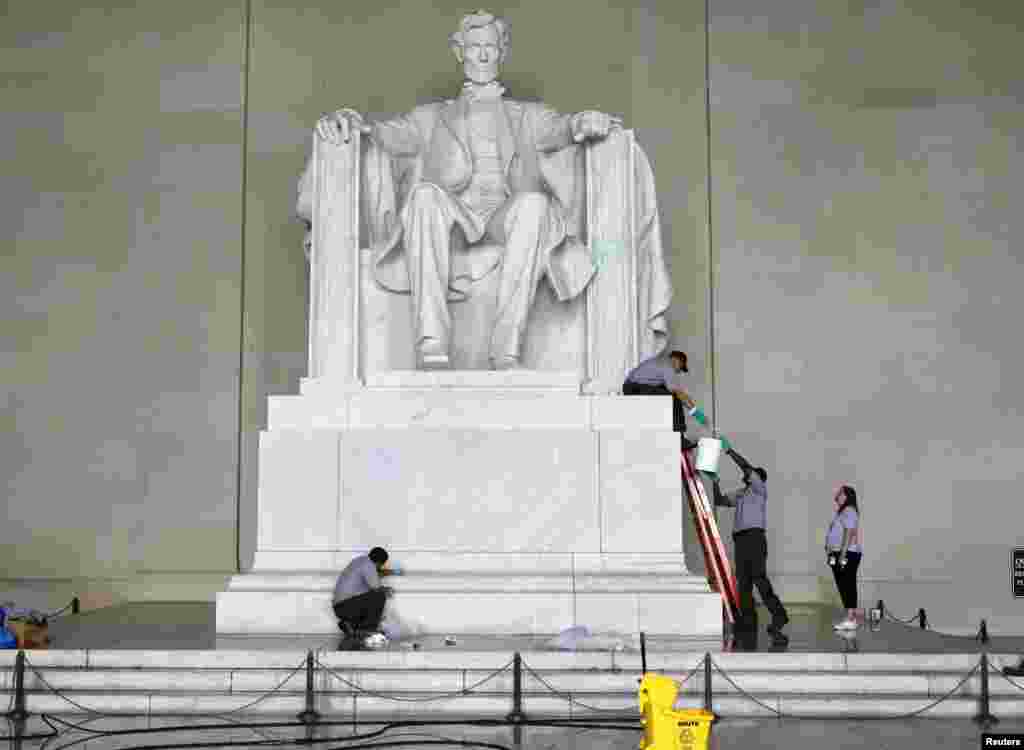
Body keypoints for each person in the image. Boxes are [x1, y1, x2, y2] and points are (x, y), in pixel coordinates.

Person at [310, 11, 623, 370]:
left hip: (503, 218)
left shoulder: (528, 115)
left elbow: (563, 128)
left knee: (536, 205)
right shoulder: (430, 117)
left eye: (491, 46)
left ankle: (507, 348)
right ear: (460, 52)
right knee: (424, 197)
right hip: (454, 216)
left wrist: (584, 121)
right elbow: (382, 134)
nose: (483, 55)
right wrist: (348, 120)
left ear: (502, 51)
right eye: (475, 47)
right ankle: (431, 343)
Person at [713, 466, 790, 638]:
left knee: (759, 578)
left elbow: (746, 468)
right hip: (740, 540)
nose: (745, 475)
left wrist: (729, 451)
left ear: (757, 478)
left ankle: (779, 615)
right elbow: (720, 501)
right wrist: (715, 483)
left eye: (750, 474)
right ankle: (748, 621)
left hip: (755, 538)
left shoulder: (759, 489)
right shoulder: (741, 493)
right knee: (744, 582)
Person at [622, 350, 697, 450]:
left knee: (667, 391)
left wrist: (691, 408)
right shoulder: (667, 366)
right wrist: (695, 411)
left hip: (633, 387)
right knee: (674, 399)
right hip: (635, 388)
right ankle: (679, 439)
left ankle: (670, 433)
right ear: (677, 360)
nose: (678, 372)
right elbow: (678, 392)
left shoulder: (660, 362)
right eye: (681, 368)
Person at [333, 547, 394, 638]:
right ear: (379, 562)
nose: (381, 567)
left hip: (340, 607)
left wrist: (393, 572)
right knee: (379, 596)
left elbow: (377, 573)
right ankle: (369, 629)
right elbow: (376, 588)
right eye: (381, 565)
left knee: (368, 602)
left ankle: (349, 625)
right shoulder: (369, 565)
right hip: (346, 606)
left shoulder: (361, 561)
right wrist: (387, 589)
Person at [826, 485, 862, 631]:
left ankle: (851, 619)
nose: (837, 494)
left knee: (848, 584)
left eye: (840, 493)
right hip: (837, 553)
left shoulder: (850, 510)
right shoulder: (841, 512)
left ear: (847, 496)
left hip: (847, 553)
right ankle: (849, 616)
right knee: (842, 585)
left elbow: (849, 532)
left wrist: (842, 554)